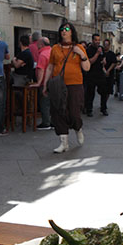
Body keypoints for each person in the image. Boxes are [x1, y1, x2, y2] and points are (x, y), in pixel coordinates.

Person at [43, 22, 90, 153]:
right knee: (58, 112)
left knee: (74, 112)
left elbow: (86, 68)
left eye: (67, 29)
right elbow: (50, 67)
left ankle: (78, 129)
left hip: (75, 84)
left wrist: (81, 53)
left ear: (72, 32)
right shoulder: (55, 48)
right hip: (58, 84)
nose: (64, 31)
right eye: (62, 29)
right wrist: (45, 83)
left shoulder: (79, 47)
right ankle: (64, 143)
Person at [83, 33, 106, 117]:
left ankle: (103, 108)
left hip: (100, 73)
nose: (97, 42)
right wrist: (97, 53)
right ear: (92, 40)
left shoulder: (101, 48)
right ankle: (89, 109)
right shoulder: (89, 50)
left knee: (104, 92)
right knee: (90, 93)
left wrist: (104, 61)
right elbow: (90, 62)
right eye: (96, 40)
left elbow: (103, 58)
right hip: (91, 74)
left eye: (99, 40)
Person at [31, 37, 52, 130]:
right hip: (54, 81)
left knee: (44, 103)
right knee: (52, 103)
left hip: (45, 81)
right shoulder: (52, 52)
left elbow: (41, 69)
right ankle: (53, 122)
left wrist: (39, 82)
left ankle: (46, 122)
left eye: (38, 43)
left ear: (41, 44)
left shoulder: (43, 54)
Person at [101, 39, 117, 115]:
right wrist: (104, 69)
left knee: (108, 91)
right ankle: (103, 104)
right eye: (105, 44)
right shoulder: (101, 53)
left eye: (107, 45)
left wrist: (108, 71)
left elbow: (114, 63)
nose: (106, 46)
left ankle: (104, 104)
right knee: (102, 90)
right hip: (101, 74)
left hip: (109, 74)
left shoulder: (112, 54)